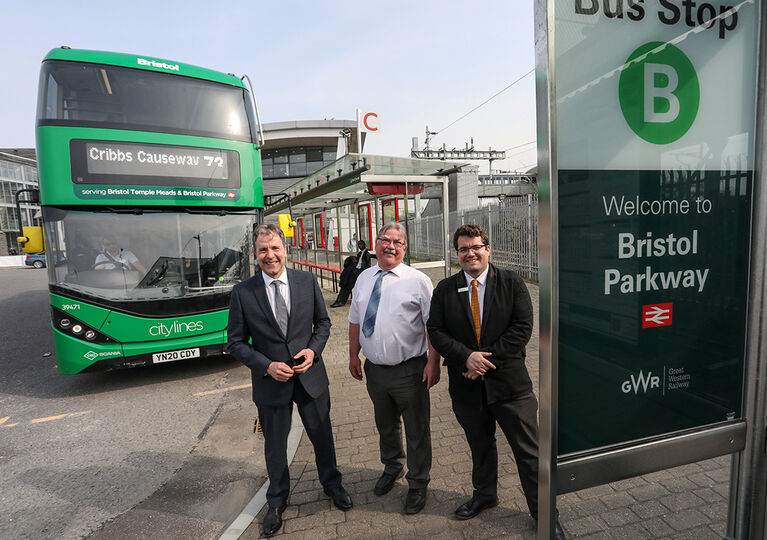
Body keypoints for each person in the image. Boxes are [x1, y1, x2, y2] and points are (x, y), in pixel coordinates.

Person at [427, 224, 565, 540]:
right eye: (463, 249)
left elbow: (522, 329)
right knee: (480, 447)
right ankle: (485, 495)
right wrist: (466, 357)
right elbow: (436, 330)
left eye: (476, 246)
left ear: (488, 249)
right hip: (466, 386)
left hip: (510, 386)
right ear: (457, 253)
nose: (470, 253)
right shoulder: (445, 289)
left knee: (529, 453)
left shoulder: (512, 283)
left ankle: (544, 514)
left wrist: (482, 361)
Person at [227, 223, 352, 538]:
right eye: (263, 250)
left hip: (310, 377)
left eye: (275, 248)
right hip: (271, 383)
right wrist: (267, 366)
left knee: (322, 435)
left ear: (286, 250)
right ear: (255, 256)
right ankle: (277, 501)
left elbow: (322, 323)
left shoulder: (306, 280)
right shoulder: (243, 292)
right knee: (275, 447)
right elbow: (236, 342)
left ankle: (332, 485)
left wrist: (313, 351)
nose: (270, 255)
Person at [348, 222, 440, 515]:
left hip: (410, 371)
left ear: (405, 248)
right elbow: (354, 320)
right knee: (386, 425)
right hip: (375, 370)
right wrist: (353, 355)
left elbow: (432, 326)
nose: (390, 246)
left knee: (416, 429)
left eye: (397, 242)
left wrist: (433, 363)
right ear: (375, 243)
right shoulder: (363, 278)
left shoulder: (419, 280)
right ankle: (392, 466)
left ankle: (418, 481)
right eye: (384, 239)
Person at [331, 239, 371, 307]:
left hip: (359, 272)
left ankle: (341, 300)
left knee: (348, 283)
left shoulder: (366, 254)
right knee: (345, 282)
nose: (359, 246)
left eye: (361, 244)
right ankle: (339, 300)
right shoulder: (360, 253)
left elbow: (367, 265)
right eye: (358, 244)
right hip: (355, 270)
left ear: (364, 245)